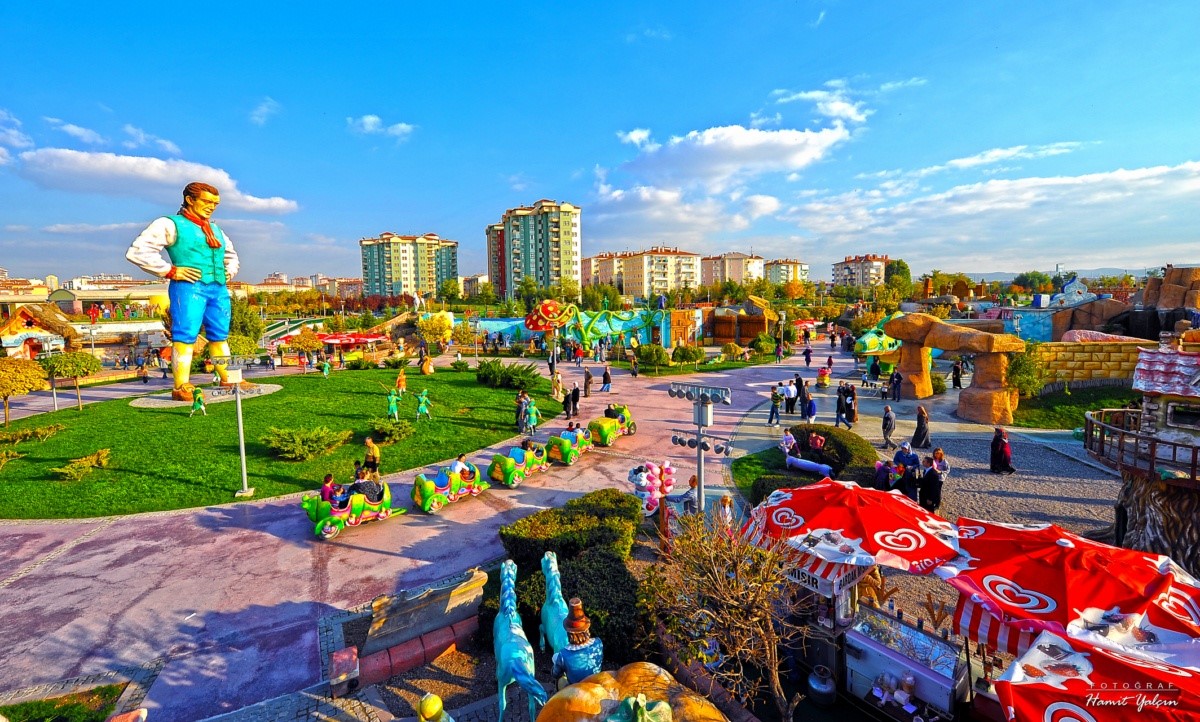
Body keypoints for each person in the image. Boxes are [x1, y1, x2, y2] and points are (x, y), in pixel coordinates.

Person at [127, 182, 242, 401]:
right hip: (189, 288)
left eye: (215, 203)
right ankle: (181, 386)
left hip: (218, 289)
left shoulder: (216, 229)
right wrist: (170, 271)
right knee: (185, 335)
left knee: (220, 336)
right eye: (207, 201)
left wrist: (229, 271)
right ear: (190, 199)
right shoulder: (170, 224)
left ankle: (229, 379)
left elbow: (231, 256)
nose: (211, 207)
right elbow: (138, 252)